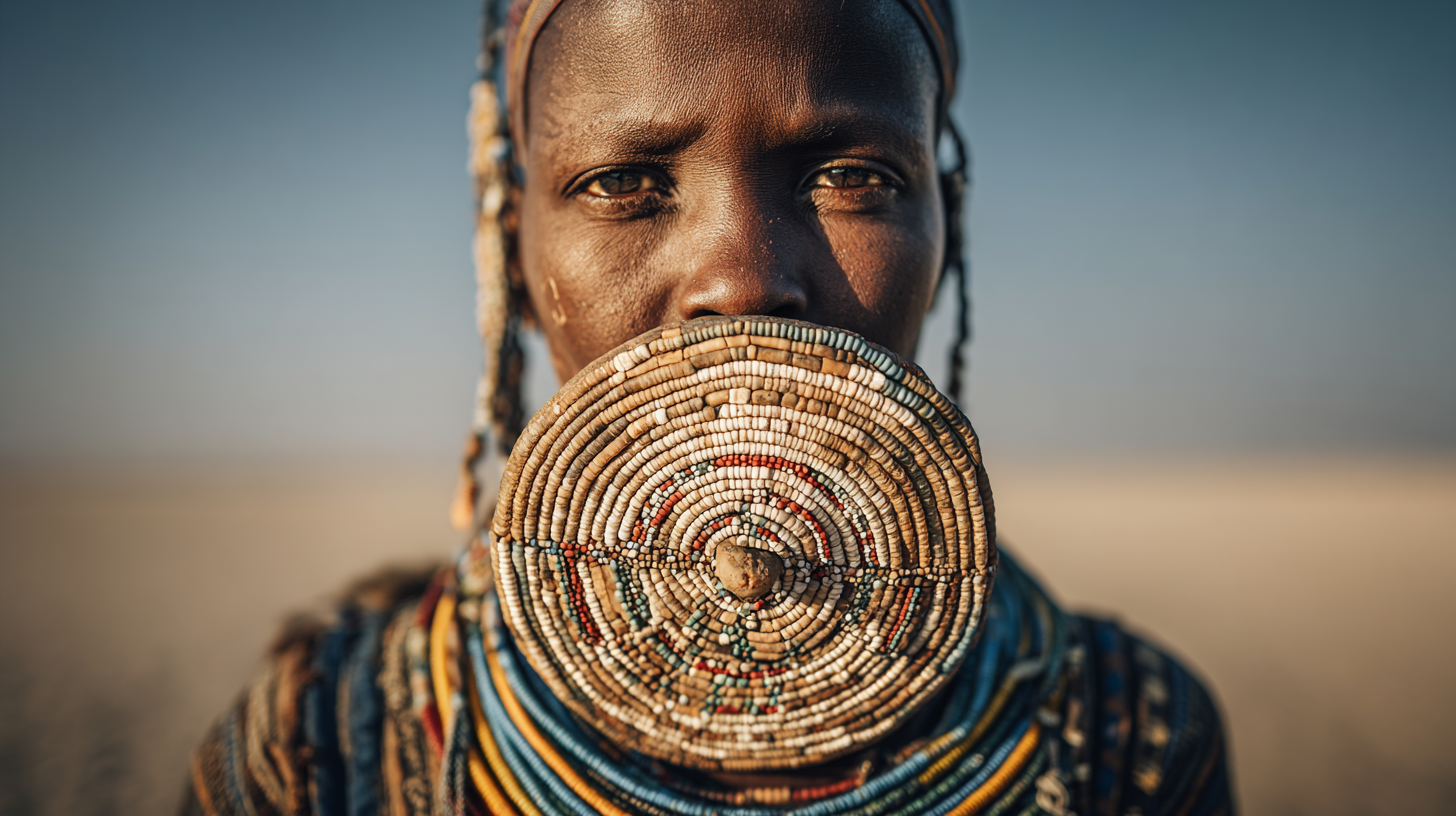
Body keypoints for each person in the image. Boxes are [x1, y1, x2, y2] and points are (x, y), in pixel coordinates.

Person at [182, 1, 1234, 814]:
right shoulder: (314, 755)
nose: (739, 280)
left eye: (851, 174)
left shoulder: (1126, 745)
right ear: (512, 248)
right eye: (623, 181)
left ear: (944, 229)